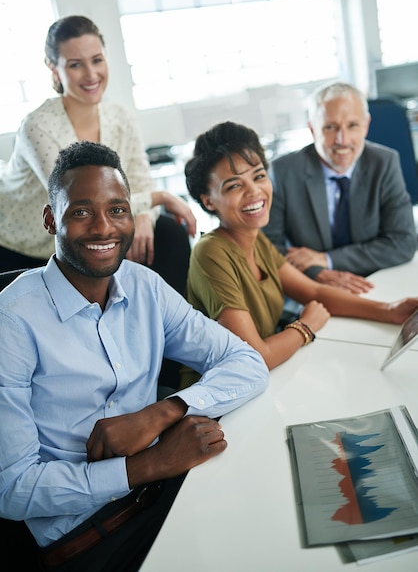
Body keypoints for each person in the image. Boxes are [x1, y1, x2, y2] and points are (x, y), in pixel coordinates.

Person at [0, 140, 268, 572]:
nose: (104, 228)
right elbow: (12, 490)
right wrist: (146, 465)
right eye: (81, 211)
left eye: (118, 209)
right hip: (93, 537)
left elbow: (247, 363)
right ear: (51, 219)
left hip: (172, 491)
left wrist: (163, 412)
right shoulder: (11, 322)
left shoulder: (144, 285)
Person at [182, 120, 418, 379]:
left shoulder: (254, 239)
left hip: (267, 381)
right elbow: (255, 358)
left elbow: (314, 291)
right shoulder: (211, 252)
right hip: (217, 403)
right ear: (208, 201)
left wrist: (389, 310)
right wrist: (305, 326)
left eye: (259, 176)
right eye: (234, 185)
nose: (254, 191)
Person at [0, 15, 196, 295]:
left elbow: (141, 183)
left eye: (97, 60)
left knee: (167, 235)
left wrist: (144, 216)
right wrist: (161, 198)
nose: (91, 75)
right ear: (53, 68)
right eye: (75, 65)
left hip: (88, 228)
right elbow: (75, 203)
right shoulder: (38, 126)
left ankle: (167, 327)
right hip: (25, 242)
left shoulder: (120, 118)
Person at [262, 81, 416, 296]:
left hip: (376, 282)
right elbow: (267, 248)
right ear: (313, 129)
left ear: (366, 125)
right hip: (313, 287)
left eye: (352, 125)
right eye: (330, 127)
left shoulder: (384, 162)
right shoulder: (283, 172)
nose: (342, 140)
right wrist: (319, 272)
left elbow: (403, 242)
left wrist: (328, 260)